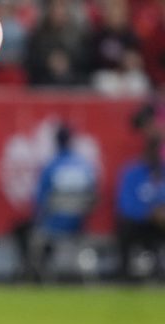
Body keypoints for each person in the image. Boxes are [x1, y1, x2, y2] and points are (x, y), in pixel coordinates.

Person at [12, 122, 98, 281]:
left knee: (25, 230)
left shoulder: (51, 166)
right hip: (78, 224)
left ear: (56, 142)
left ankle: (39, 276)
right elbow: (93, 196)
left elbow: (39, 200)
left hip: (53, 225)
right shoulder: (85, 166)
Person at [115, 106, 165, 281]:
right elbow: (126, 205)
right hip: (140, 222)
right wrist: (149, 213)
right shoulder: (133, 171)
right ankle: (125, 274)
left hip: (160, 223)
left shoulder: (162, 171)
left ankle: (160, 271)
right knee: (125, 227)